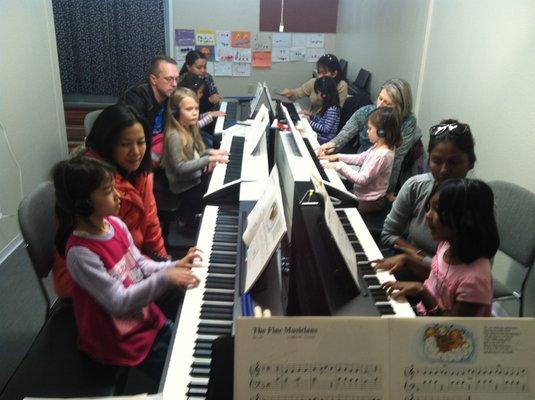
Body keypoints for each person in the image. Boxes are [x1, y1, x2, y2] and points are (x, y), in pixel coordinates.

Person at [52, 156, 201, 380]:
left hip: (143, 318)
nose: (118, 195)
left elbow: (140, 264)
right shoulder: (80, 254)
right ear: (83, 203)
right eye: (107, 190)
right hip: (116, 339)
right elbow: (118, 302)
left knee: (191, 349)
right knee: (182, 374)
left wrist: (172, 265)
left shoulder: (115, 224)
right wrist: (166, 278)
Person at [52, 105, 173, 314]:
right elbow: (112, 256)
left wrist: (165, 262)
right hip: (97, 280)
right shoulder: (94, 186)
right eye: (125, 144)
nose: (136, 152)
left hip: (130, 264)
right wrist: (162, 275)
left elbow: (151, 222)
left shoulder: (139, 172)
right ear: (108, 145)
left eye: (141, 142)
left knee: (180, 285)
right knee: (178, 299)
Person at [380, 178, 499, 317]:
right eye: (428, 208)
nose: (427, 215)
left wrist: (421, 291)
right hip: (425, 313)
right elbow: (441, 277)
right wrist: (407, 259)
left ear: (466, 219)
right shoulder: (447, 245)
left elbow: (453, 328)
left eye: (437, 209)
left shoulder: (475, 280)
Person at [379, 120, 477, 272]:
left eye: (454, 162)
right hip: (408, 264)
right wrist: (418, 255)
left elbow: (468, 271)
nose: (444, 170)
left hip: (449, 285)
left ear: (470, 162)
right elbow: (389, 233)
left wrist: (417, 260)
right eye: (437, 161)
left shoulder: (479, 204)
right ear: (428, 160)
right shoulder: (415, 186)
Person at [318, 78, 420, 193]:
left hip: (378, 184)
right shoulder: (365, 112)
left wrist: (388, 193)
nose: (380, 105)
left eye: (387, 103)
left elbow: (396, 160)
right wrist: (329, 146)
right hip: (359, 169)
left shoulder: (408, 122)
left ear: (400, 108)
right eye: (380, 98)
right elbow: (343, 136)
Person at [161, 88, 228, 231]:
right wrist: (208, 159)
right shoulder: (175, 135)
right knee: (210, 197)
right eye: (189, 109)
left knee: (218, 188)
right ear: (176, 112)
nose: (194, 112)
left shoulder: (189, 127)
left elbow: (196, 153)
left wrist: (212, 152)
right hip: (183, 186)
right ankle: (187, 223)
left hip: (193, 178)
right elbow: (180, 166)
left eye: (196, 108)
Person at [321, 107, 401, 214]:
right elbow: (361, 158)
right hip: (362, 195)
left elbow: (362, 179)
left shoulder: (382, 155)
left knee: (339, 210)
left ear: (381, 132)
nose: (367, 132)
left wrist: (338, 165)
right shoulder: (378, 146)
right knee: (336, 198)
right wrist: (337, 157)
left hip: (371, 201)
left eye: (370, 129)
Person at [121, 56, 179, 165]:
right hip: (136, 157)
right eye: (169, 79)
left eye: (177, 79)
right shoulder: (136, 98)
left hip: (157, 153)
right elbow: (133, 141)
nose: (175, 84)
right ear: (153, 80)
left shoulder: (169, 97)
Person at [280, 53, 348, 113]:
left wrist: (311, 117)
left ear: (334, 73)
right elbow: (297, 93)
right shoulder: (314, 82)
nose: (320, 76)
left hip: (324, 123)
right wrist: (290, 92)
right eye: (319, 72)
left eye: (324, 73)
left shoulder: (341, 86)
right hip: (312, 119)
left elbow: (334, 112)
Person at [178, 73, 225, 148]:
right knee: (214, 146)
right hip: (189, 139)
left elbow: (197, 117)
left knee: (215, 141)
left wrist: (210, 113)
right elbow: (194, 126)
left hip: (196, 133)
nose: (202, 95)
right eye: (200, 92)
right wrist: (210, 116)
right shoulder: (184, 108)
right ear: (191, 93)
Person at [299, 76, 341, 144]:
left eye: (317, 93)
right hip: (321, 136)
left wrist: (310, 122)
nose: (317, 95)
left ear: (324, 94)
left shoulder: (333, 109)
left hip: (325, 140)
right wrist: (311, 116)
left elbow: (326, 129)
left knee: (301, 136)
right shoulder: (327, 105)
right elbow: (321, 121)